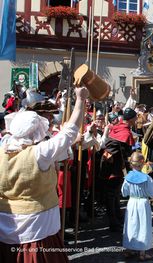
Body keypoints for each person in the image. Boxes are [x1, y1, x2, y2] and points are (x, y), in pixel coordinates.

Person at [0, 87, 88, 262]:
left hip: (4, 225)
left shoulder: (2, 149)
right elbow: (70, 132)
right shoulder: (39, 152)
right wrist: (80, 99)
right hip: (37, 227)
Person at [122, 152, 153, 261]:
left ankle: (128, 249)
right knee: (143, 226)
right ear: (142, 164)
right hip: (143, 203)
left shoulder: (127, 178)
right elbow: (151, 193)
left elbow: (124, 192)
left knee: (131, 225)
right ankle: (142, 253)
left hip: (132, 202)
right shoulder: (147, 178)